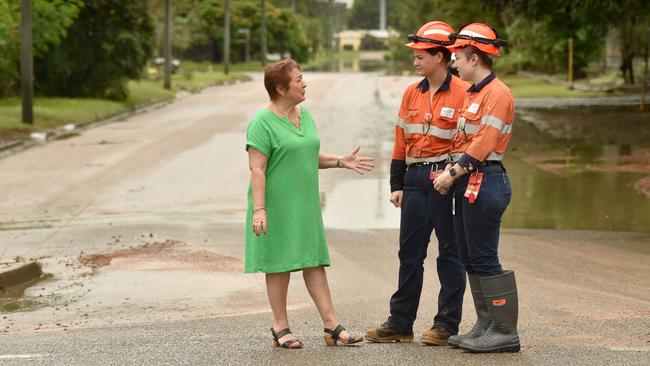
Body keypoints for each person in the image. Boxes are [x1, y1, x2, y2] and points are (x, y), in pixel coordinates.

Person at [245, 58, 374, 349]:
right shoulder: (261, 123)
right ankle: (281, 327)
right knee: (278, 264)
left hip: (304, 204)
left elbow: (305, 155)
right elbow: (258, 168)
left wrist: (340, 161)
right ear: (281, 87)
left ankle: (332, 326)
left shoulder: (305, 115)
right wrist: (260, 209)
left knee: (314, 262)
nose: (304, 83)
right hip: (275, 205)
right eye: (298, 79)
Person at [365, 21, 468, 346]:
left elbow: (469, 142)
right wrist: (396, 184)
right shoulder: (411, 92)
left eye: (420, 56)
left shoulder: (465, 93)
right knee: (409, 253)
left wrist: (453, 176)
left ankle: (445, 325)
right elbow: (399, 141)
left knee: (449, 254)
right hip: (413, 180)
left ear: (440, 56)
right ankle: (400, 323)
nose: (415, 62)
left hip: (446, 180)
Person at [433, 22, 520, 353]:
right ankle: (486, 324)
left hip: (486, 180)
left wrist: (451, 172)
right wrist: (450, 171)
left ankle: (504, 331)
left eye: (457, 57)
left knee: (484, 257)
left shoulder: (497, 94)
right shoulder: (475, 93)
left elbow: (484, 143)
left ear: (474, 57)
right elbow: (462, 139)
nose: (454, 63)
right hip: (468, 182)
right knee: (470, 257)